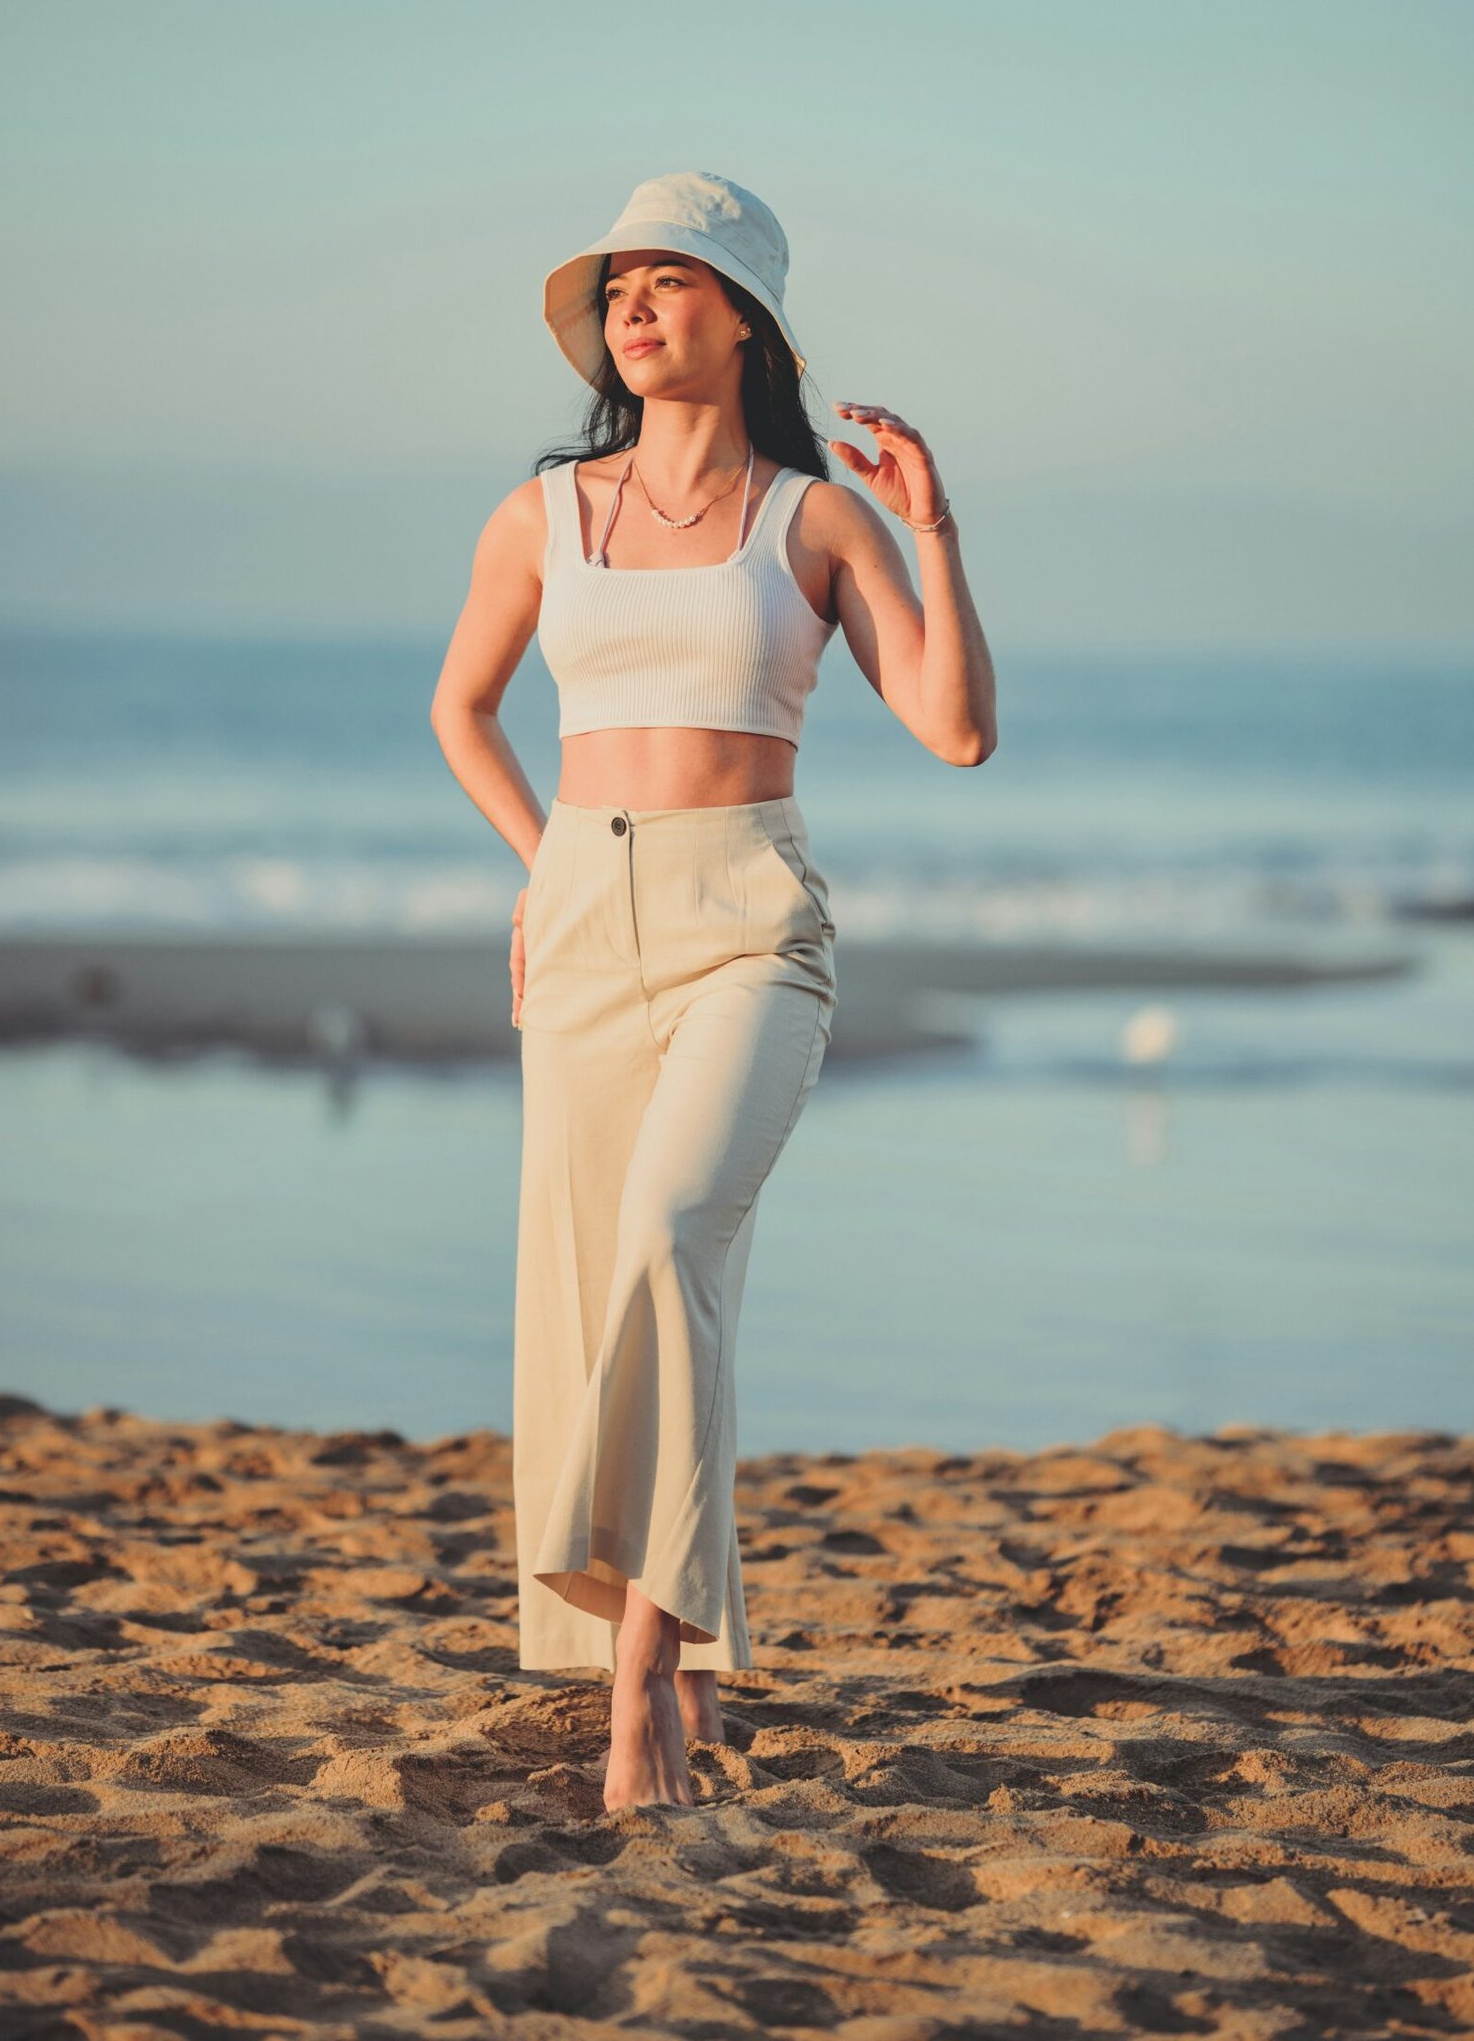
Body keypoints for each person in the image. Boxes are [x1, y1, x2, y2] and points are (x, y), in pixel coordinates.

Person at [430, 170, 996, 1810]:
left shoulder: (817, 521)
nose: (636, 303)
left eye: (672, 278)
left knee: (674, 1238)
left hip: (751, 918)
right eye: (621, 283)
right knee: (599, 1291)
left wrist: (935, 528)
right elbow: (464, 712)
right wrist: (540, 866)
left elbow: (955, 730)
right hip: (587, 925)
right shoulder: (539, 515)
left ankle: (642, 1700)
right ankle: (655, 1656)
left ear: (744, 318)